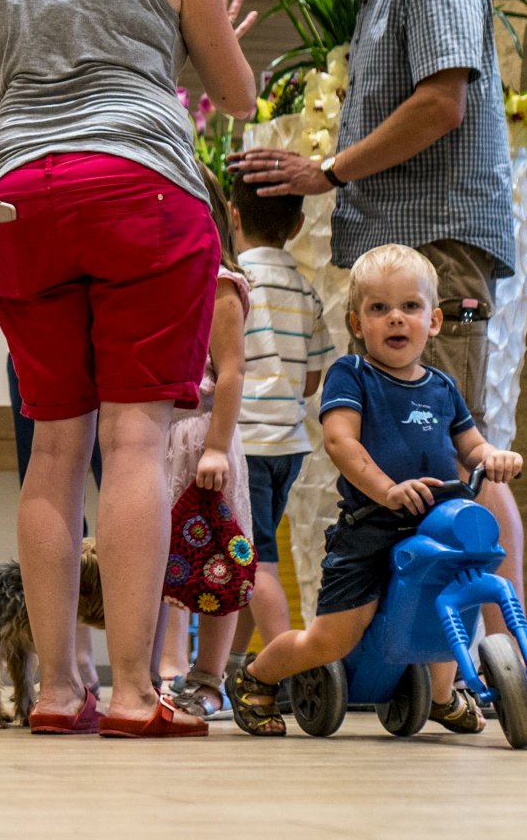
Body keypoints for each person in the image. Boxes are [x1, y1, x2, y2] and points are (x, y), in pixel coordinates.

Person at [0, 0, 256, 738]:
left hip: (20, 201)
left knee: (55, 446)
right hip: (140, 192)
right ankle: (134, 693)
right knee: (134, 438)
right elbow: (239, 95)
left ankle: (58, 690)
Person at [227, 0, 527, 707]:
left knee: (460, 458)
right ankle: (434, 665)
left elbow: (442, 103)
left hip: (438, 247)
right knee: (431, 461)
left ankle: (510, 665)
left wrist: (329, 170)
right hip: (408, 248)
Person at [228, 244, 524, 737]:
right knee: (332, 640)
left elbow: (470, 445)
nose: (396, 318)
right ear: (357, 323)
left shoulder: (442, 387)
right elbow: (340, 441)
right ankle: (257, 676)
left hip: (434, 525)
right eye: (379, 308)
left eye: (410, 306)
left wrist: (493, 456)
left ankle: (442, 695)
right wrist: (386, 490)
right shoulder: (353, 375)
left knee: (447, 600)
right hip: (371, 528)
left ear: (434, 321)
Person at [0, 287, 104, 691]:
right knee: (56, 497)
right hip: (39, 345)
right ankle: (74, 664)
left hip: (103, 340)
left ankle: (148, 668)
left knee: (117, 489)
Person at [225, 175, 332, 678]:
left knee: (256, 562)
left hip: (245, 444)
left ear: (233, 215)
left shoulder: (232, 282)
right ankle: (231, 665)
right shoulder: (306, 291)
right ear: (296, 225)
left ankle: (289, 667)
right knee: (251, 556)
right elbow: (311, 380)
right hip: (288, 445)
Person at [157, 162, 252, 722]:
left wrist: (216, 446)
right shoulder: (161, 278)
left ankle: (210, 676)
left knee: (218, 558)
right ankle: (168, 669)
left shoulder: (219, 283)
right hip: (161, 436)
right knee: (164, 560)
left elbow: (232, 371)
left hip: (201, 436)